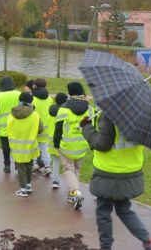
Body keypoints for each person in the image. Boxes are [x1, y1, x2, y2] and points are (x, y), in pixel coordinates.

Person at [82, 114, 151, 250]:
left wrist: (86, 127)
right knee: (124, 210)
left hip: (108, 172)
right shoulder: (142, 116)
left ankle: (106, 247)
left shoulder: (109, 115)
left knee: (103, 212)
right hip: (130, 170)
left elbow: (101, 144)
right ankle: (148, 241)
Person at [54, 81, 95, 210]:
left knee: (68, 169)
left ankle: (76, 192)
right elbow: (92, 127)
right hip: (83, 144)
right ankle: (72, 194)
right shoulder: (90, 108)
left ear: (70, 92)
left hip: (67, 145)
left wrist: (56, 143)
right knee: (76, 169)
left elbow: (58, 128)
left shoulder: (64, 108)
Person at [8, 92, 44, 197]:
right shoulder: (35, 115)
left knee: (20, 167)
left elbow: (8, 128)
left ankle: (22, 188)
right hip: (31, 145)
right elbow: (40, 129)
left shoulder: (11, 115)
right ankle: (28, 185)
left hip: (17, 146)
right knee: (29, 165)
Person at [0, 76, 21, 173]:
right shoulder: (19, 94)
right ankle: (17, 164)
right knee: (17, 147)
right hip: (17, 127)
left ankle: (7, 165)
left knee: (6, 149)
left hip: (3, 128)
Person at [32, 78, 53, 176]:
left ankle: (34, 164)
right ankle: (47, 166)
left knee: (33, 145)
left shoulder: (33, 99)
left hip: (35, 126)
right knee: (45, 147)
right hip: (47, 126)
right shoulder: (49, 99)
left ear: (35, 86)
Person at [48, 93, 68, 189]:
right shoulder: (65, 113)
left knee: (55, 162)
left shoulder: (51, 111)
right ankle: (70, 183)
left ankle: (55, 180)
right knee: (67, 164)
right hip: (62, 140)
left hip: (52, 141)